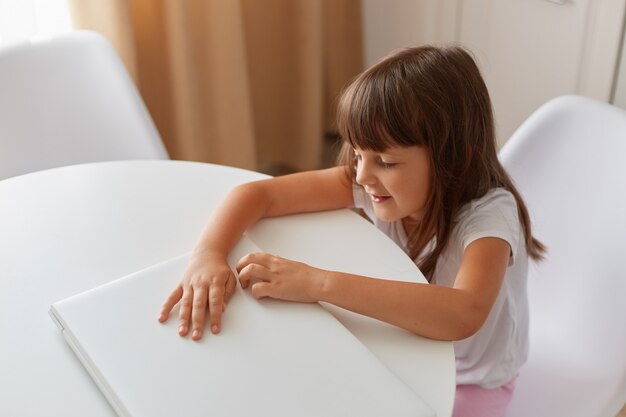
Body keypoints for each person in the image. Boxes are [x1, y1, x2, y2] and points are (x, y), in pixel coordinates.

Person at [158, 45, 545, 417]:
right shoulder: (373, 183)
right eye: (358, 154)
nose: (362, 175)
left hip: (472, 382)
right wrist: (208, 253)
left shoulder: (489, 218)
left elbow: (464, 313)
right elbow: (258, 194)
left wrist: (315, 283)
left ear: (454, 159)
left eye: (386, 161)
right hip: (402, 345)